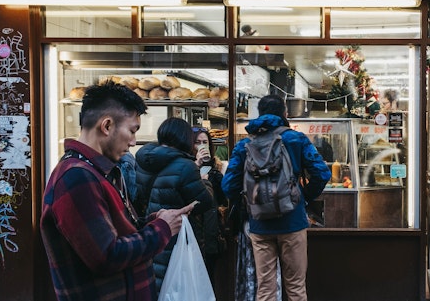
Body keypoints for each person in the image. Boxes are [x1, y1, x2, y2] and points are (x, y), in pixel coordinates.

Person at [40, 81, 196, 301]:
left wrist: (154, 220)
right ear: (107, 126)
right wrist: (162, 229)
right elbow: (107, 256)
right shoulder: (76, 177)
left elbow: (115, 232)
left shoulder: (99, 171)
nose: (133, 141)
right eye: (132, 131)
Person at [222, 94, 331, 301]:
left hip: (260, 225)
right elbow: (322, 173)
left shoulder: (245, 145)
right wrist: (303, 197)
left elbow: (228, 186)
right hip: (292, 222)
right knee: (296, 287)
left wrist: (249, 202)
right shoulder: (295, 139)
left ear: (259, 114)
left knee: (265, 288)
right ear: (285, 114)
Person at [133, 117, 215, 298]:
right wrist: (205, 183)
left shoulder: (144, 160)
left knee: (159, 284)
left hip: (152, 230)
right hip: (178, 236)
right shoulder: (185, 166)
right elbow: (204, 203)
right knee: (178, 287)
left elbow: (138, 195)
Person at [192, 126, 228, 284]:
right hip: (193, 233)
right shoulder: (187, 167)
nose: (201, 146)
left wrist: (216, 178)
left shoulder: (217, 169)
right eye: (197, 142)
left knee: (210, 279)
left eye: (205, 142)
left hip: (211, 233)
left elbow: (222, 200)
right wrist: (196, 166)